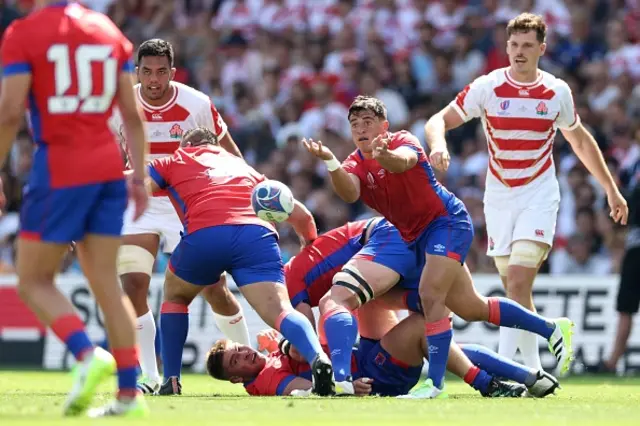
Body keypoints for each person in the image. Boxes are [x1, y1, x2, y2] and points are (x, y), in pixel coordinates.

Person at [305, 95, 574, 399]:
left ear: (384, 125)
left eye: (368, 122)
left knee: (431, 297)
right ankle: (551, 328)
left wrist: (384, 156)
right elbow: (350, 193)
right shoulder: (354, 161)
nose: (361, 129)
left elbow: (402, 162)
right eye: (355, 125)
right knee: (472, 307)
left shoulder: (401, 141)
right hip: (417, 236)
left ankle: (434, 384)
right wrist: (330, 162)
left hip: (446, 223)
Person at [423, 13, 628, 372]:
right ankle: (536, 371)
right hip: (499, 197)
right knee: (517, 294)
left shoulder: (555, 91)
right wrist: (438, 143)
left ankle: (506, 371)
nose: (519, 52)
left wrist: (610, 189)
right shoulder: (487, 87)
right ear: (506, 47)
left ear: (541, 49)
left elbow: (580, 141)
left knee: (516, 283)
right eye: (514, 44)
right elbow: (437, 119)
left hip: (539, 193)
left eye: (527, 45)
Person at [0, 0, 148, 418]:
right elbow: (131, 115)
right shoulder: (106, 31)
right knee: (105, 282)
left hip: (61, 168)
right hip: (107, 167)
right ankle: (128, 396)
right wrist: (138, 175)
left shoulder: (23, 34)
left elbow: (10, 111)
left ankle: (87, 355)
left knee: (32, 279)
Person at [144, 127, 334, 396]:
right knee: (280, 310)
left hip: (205, 235)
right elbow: (301, 216)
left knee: (175, 296)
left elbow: (137, 188)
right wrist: (308, 242)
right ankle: (317, 358)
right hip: (255, 235)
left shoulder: (175, 160)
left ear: (185, 147)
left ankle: (171, 379)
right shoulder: (244, 168)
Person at [109, 38, 251, 395]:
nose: (153, 80)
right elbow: (109, 157)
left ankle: (251, 366)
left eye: (161, 72)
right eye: (146, 71)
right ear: (136, 72)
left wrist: (246, 190)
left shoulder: (196, 103)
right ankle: (151, 376)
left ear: (172, 72)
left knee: (214, 289)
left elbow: (227, 150)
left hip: (186, 204)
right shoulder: (120, 104)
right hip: (140, 202)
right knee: (132, 285)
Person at [206, 311, 559, 398]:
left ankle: (530, 377)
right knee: (425, 326)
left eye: (240, 349)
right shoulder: (266, 379)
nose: (245, 355)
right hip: (375, 374)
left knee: (448, 348)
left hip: (367, 355)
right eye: (237, 361)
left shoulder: (264, 358)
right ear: (237, 377)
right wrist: (344, 386)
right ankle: (488, 385)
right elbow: (310, 387)